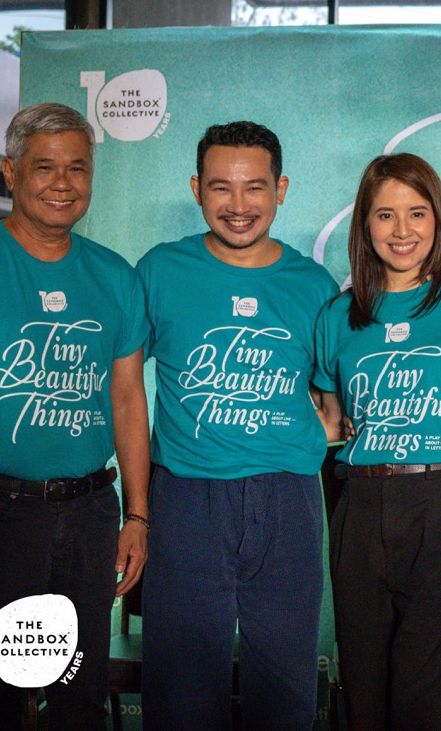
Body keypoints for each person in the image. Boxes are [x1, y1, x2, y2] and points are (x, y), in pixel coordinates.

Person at [0, 102, 150, 730]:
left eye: (77, 168)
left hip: (88, 517)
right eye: (44, 167)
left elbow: (129, 401)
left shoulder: (114, 275)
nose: (62, 183)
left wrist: (137, 515)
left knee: (79, 698)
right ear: (10, 172)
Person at [136, 122, 339, 730]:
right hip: (186, 497)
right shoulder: (161, 270)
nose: (238, 204)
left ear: (281, 189)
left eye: (254, 187)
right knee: (180, 685)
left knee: (284, 685)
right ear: (197, 189)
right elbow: (121, 385)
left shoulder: (313, 286)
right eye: (221, 187)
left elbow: (332, 407)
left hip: (288, 498)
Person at [313, 153, 441, 730]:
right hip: (364, 507)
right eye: (385, 216)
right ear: (364, 226)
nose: (402, 231)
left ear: (438, 219)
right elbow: (331, 418)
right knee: (368, 693)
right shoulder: (338, 316)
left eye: (417, 213)